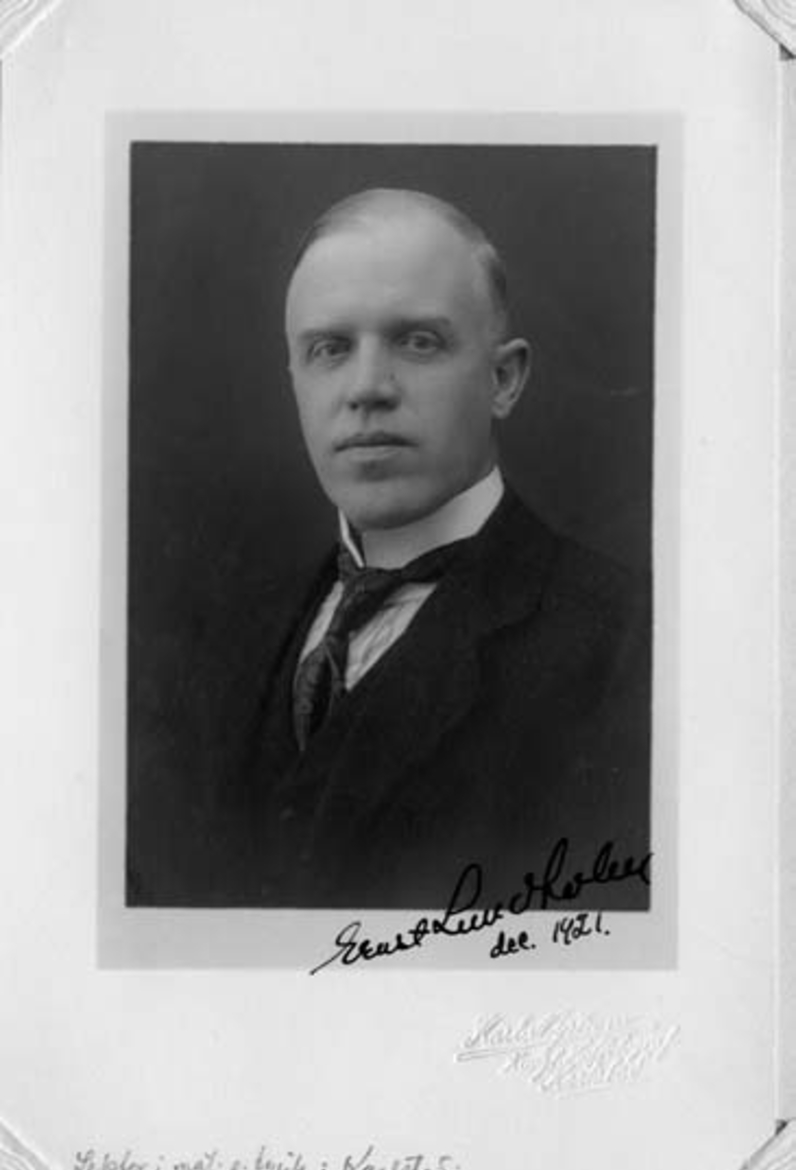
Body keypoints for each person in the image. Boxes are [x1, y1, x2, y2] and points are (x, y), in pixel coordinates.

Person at [126, 188, 651, 911]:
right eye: (329, 349)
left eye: (419, 342)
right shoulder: (216, 641)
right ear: (295, 381)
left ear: (503, 380)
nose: (367, 388)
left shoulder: (632, 647)